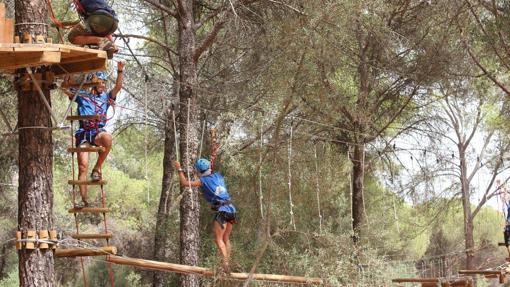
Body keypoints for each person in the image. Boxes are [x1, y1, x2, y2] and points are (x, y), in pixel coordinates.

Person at [68, 60, 125, 208]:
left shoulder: (106, 97)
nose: (103, 85)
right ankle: (84, 199)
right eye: (100, 82)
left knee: (107, 138)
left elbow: (118, 87)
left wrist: (120, 70)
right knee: (82, 167)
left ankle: (97, 168)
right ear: (93, 82)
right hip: (83, 134)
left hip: (97, 132)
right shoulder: (82, 95)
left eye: (104, 83)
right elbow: (66, 88)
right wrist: (69, 72)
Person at [174, 152, 237, 273]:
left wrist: (179, 169)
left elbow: (185, 183)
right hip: (231, 209)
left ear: (198, 171)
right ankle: (228, 262)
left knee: (218, 239)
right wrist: (212, 158)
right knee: (226, 238)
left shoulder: (202, 181)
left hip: (222, 211)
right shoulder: (218, 176)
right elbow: (211, 168)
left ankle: (226, 266)